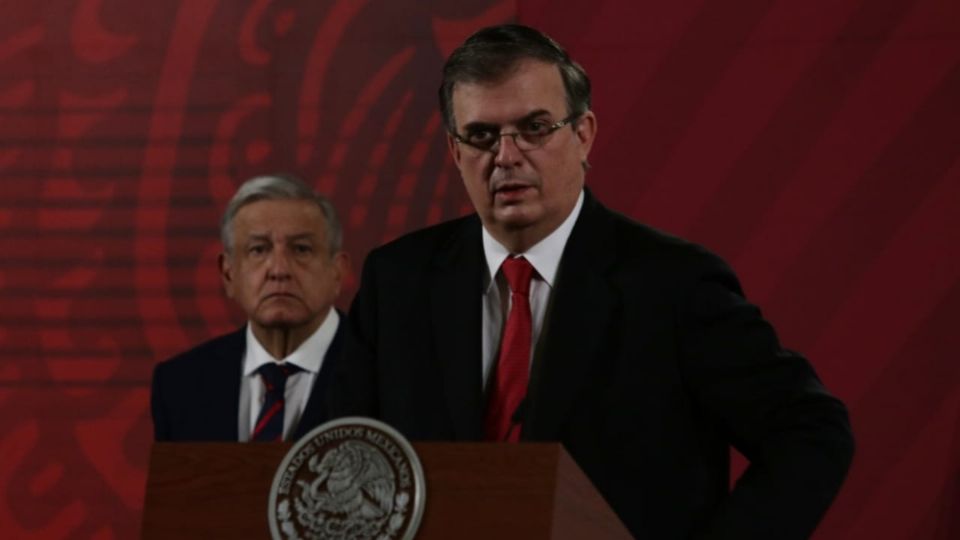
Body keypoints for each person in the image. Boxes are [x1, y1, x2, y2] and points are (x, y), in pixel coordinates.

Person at [332, 25, 854, 538]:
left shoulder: (673, 284)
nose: (506, 156)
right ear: (455, 151)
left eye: (535, 128)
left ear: (583, 136)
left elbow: (810, 431)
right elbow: (333, 453)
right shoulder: (397, 280)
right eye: (482, 135)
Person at [152, 174, 349, 442]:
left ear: (337, 272)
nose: (279, 270)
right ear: (228, 274)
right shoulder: (180, 384)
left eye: (301, 249)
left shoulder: (388, 374)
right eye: (258, 250)